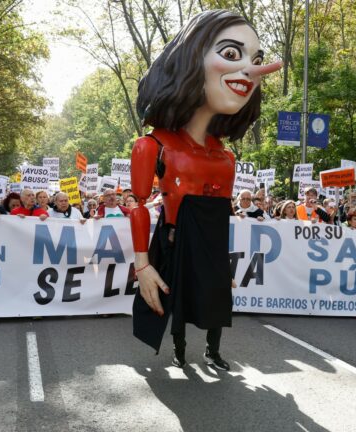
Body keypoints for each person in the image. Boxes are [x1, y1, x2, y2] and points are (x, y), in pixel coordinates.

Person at [130, 9, 282, 370]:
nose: (250, 70)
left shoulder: (226, 157)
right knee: (177, 299)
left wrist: (220, 258)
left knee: (217, 299)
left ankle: (213, 351)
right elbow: (136, 204)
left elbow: (220, 213)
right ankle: (181, 349)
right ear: (189, 59)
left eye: (256, 60)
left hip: (212, 244)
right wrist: (142, 266)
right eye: (231, 54)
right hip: (174, 240)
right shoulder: (152, 146)